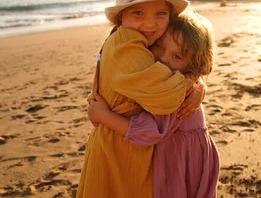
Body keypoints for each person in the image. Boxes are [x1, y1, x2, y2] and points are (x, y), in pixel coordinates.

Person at [76, 0, 206, 198]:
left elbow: (169, 69)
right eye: (138, 12)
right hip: (120, 153)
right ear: (121, 16)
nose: (150, 23)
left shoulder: (143, 42)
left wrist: (198, 83)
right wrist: (192, 79)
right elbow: (165, 97)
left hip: (131, 147)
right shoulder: (125, 44)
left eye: (160, 13)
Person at [88, 11, 220, 198]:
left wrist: (104, 116)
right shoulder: (181, 78)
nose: (164, 58)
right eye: (159, 47)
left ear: (193, 64)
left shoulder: (171, 91)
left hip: (180, 161)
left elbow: (151, 131)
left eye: (176, 56)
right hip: (190, 153)